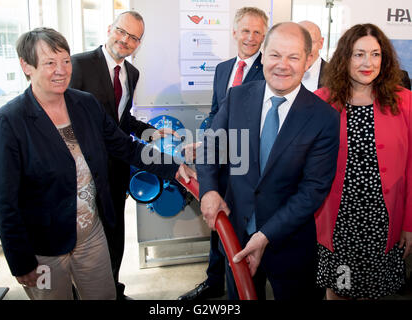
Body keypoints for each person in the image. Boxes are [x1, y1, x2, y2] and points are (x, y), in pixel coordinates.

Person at [0, 27, 195, 300]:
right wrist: (20, 259)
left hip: (91, 234)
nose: (61, 70)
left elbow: (124, 146)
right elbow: (3, 201)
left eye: (65, 61)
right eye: (50, 63)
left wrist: (173, 166)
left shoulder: (85, 104)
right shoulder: (8, 122)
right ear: (26, 66)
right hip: (44, 247)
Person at [196, 22, 340, 300]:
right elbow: (210, 146)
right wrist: (209, 190)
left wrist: (264, 236)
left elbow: (313, 190)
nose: (282, 65)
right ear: (262, 55)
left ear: (308, 60)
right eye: (275, 54)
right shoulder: (237, 97)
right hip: (236, 236)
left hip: (290, 244)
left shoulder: (324, 117)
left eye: (293, 57)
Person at [69, 11, 173, 299]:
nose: (125, 40)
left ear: (139, 44)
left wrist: (150, 132)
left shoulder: (131, 73)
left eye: (134, 38)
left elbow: (120, 120)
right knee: (82, 238)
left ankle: (112, 290)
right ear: (109, 29)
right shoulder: (78, 64)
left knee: (114, 234)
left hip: (116, 168)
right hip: (82, 171)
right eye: (121, 32)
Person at [314, 23, 412, 300]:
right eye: (358, 54)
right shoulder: (321, 101)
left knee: (375, 291)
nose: (368, 63)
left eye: (375, 54)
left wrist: (409, 224)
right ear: (344, 58)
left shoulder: (405, 102)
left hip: (383, 220)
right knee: (338, 289)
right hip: (337, 220)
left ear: (385, 59)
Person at [178, 7, 268, 301]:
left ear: (264, 35)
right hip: (219, 162)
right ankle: (214, 282)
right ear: (234, 33)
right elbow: (218, 114)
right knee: (217, 222)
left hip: (249, 166)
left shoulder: (270, 69)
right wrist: (204, 144)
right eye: (245, 30)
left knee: (247, 229)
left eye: (257, 32)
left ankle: (247, 290)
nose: (251, 37)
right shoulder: (223, 68)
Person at [298, 20, 327, 91]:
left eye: (310, 42)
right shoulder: (279, 73)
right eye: (298, 42)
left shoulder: (336, 76)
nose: (304, 49)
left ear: (321, 43)